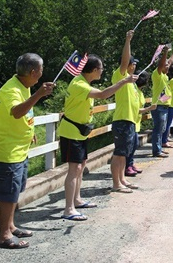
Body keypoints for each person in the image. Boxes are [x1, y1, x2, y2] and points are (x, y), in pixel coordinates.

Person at [58, 54, 137, 220]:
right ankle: (68, 209)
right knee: (74, 169)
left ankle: (77, 200)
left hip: (79, 132)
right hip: (71, 132)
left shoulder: (83, 83)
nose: (102, 72)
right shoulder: (79, 84)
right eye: (101, 69)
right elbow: (102, 94)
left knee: (81, 166)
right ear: (94, 70)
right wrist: (123, 81)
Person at [0, 53, 55, 249]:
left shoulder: (24, 86)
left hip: (19, 148)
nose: (42, 73)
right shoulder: (10, 89)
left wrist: (30, 131)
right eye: (41, 70)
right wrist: (38, 95)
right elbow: (17, 112)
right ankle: (3, 236)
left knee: (15, 191)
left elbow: (24, 115)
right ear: (34, 72)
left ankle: (10, 226)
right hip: (8, 150)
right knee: (7, 193)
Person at [110, 30, 142, 193]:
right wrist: (128, 40)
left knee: (124, 153)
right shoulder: (120, 76)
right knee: (119, 153)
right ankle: (116, 183)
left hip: (130, 121)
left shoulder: (131, 82)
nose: (134, 66)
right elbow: (124, 61)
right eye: (132, 63)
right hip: (122, 120)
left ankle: (122, 179)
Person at [126, 72, 156, 175]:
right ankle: (127, 166)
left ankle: (130, 163)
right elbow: (137, 110)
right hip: (132, 121)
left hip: (136, 122)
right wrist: (149, 108)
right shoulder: (133, 91)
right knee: (131, 145)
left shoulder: (140, 92)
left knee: (134, 145)